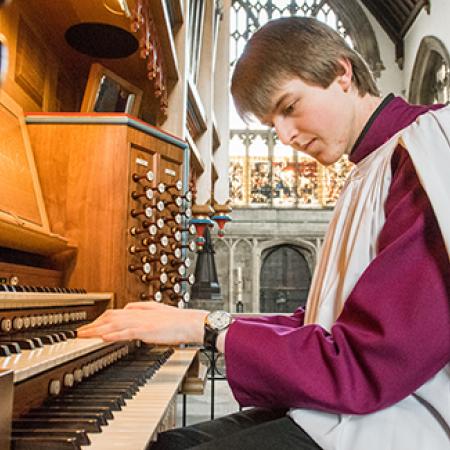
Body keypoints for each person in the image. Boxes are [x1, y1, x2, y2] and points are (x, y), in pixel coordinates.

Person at [77, 17, 450, 450]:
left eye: (290, 107)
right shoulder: (371, 167)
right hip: (354, 411)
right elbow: (322, 323)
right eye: (272, 123)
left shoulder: (426, 151)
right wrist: (193, 323)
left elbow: (369, 364)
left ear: (341, 73)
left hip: (400, 425)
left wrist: (208, 328)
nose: (286, 135)